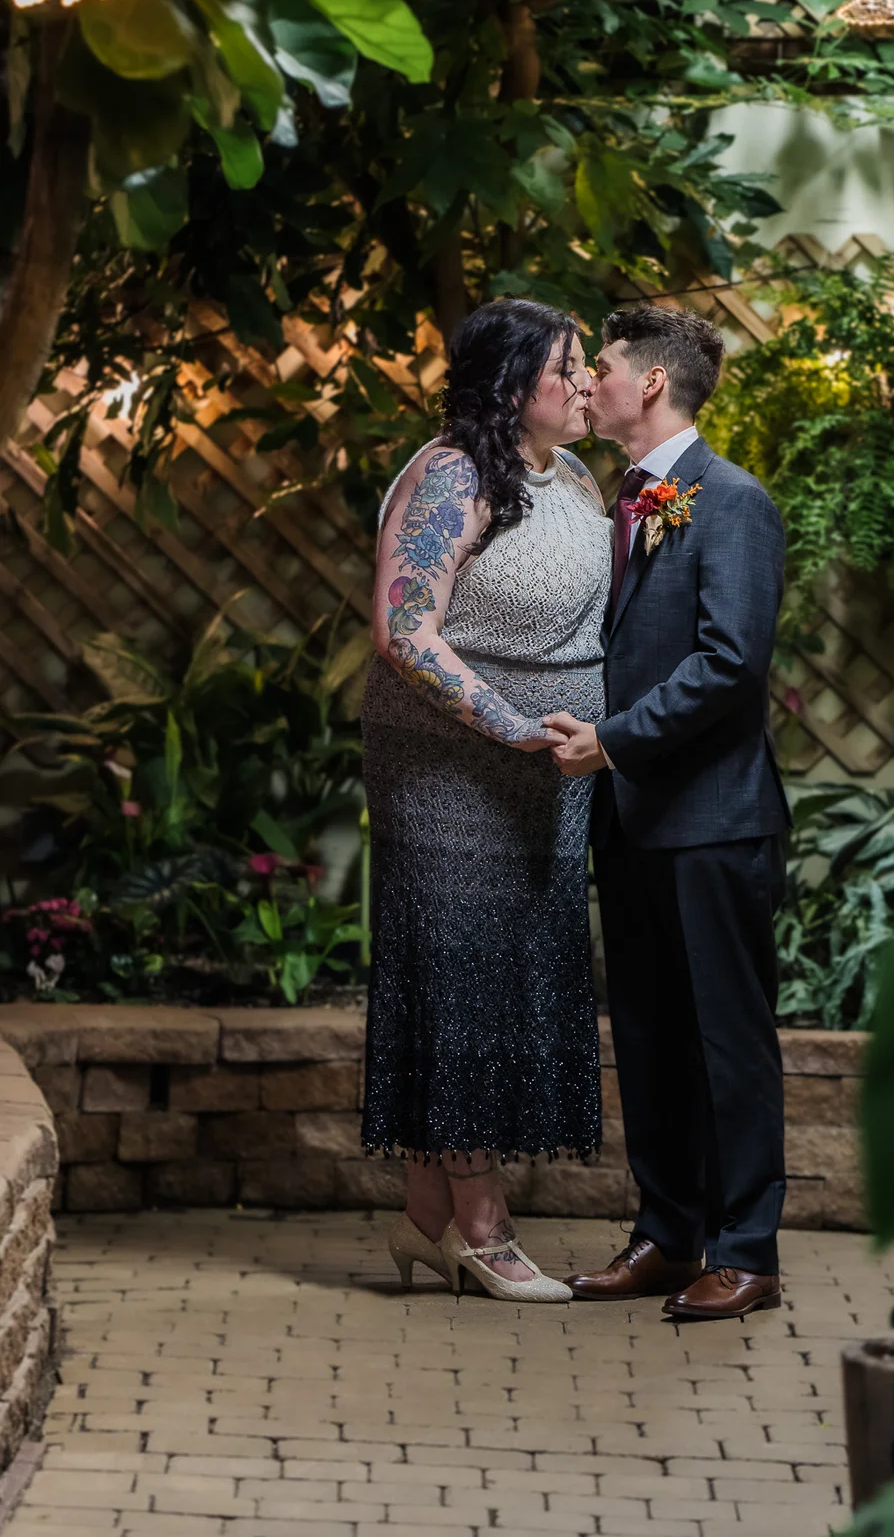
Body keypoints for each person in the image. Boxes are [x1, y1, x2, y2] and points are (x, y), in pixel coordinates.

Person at [360, 298, 612, 1303]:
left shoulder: (585, 479)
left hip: (551, 780)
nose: (589, 378)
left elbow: (653, 539)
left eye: (590, 361)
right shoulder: (456, 477)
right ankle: (483, 1228)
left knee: (498, 984)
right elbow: (404, 629)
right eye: (570, 363)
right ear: (513, 387)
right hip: (450, 775)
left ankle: (427, 1220)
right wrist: (510, 724)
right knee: (462, 980)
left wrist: (696, 492)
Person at [544, 304, 791, 1322]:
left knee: (727, 1040)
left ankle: (747, 1252)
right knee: (648, 1035)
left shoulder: (730, 500)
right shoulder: (627, 501)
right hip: (634, 818)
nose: (586, 381)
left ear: (649, 383)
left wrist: (612, 741)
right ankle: (665, 1233)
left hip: (714, 818)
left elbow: (731, 664)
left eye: (598, 366)